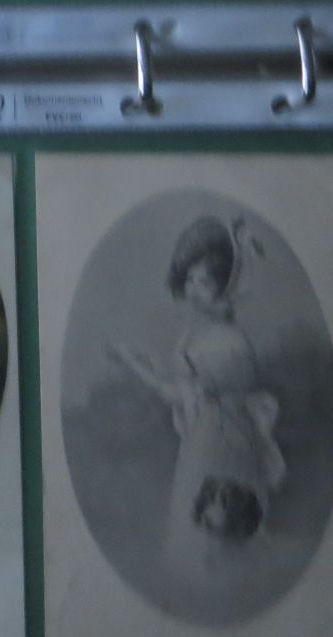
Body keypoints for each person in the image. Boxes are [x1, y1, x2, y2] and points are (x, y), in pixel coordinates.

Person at [109, 213, 284, 564]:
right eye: (189, 280)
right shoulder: (203, 332)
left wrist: (133, 365)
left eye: (202, 282)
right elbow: (186, 381)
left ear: (223, 287)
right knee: (199, 527)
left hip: (223, 444)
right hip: (207, 438)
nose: (191, 290)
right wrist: (147, 361)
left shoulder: (226, 343)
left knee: (216, 530)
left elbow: (177, 392)